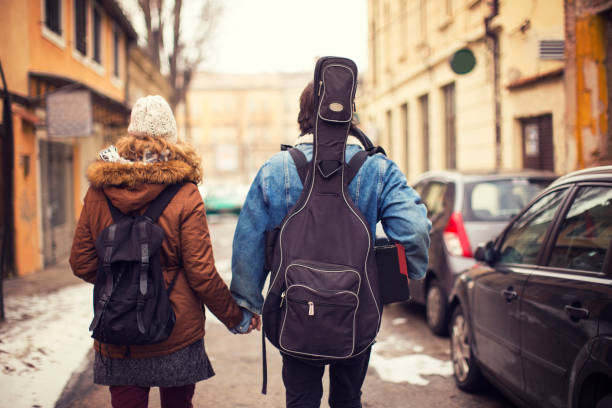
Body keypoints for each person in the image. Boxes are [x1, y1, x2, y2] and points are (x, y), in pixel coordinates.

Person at [230, 82, 431, 407]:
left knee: (301, 399)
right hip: (357, 307)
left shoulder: (275, 169)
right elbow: (414, 229)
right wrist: (411, 272)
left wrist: (247, 303)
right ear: (350, 115)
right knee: (349, 398)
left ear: (302, 116)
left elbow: (248, 241)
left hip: (294, 307)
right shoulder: (377, 167)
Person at [69, 95, 256, 408]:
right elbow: (201, 273)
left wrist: (122, 282)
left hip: (118, 329)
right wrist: (235, 316)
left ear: (130, 137)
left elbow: (81, 262)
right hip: (176, 329)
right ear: (171, 139)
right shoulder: (185, 192)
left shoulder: (99, 191)